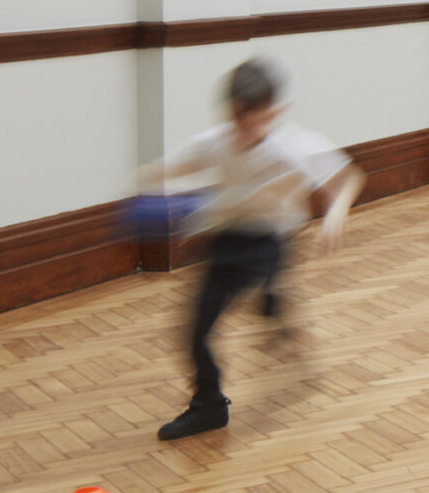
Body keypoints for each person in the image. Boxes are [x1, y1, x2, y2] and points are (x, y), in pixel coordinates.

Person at [141, 58, 363, 441]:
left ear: (274, 112)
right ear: (229, 112)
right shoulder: (214, 144)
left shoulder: (296, 146)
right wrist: (143, 183)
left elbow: (349, 178)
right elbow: (170, 168)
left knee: (263, 285)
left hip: (271, 240)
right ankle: (209, 406)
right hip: (226, 239)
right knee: (195, 331)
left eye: (258, 120)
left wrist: (335, 213)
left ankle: (273, 303)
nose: (248, 130)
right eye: (240, 120)